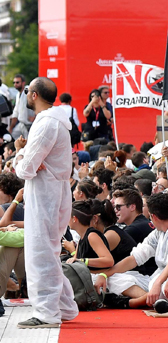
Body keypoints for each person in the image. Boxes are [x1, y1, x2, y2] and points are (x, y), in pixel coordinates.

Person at [13, 77, 80, 328]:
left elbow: (25, 169)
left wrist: (20, 155)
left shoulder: (47, 123)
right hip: (51, 193)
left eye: (27, 91)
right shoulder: (53, 120)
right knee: (47, 252)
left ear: (34, 95)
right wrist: (26, 157)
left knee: (40, 254)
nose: (25, 94)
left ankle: (46, 313)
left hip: (46, 195)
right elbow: (32, 164)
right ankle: (63, 307)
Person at [93, 193, 168, 309]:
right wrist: (104, 274)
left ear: (153, 216)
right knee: (114, 278)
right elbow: (134, 258)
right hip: (157, 279)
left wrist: (158, 284)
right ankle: (148, 299)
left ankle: (142, 300)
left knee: (163, 286)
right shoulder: (158, 232)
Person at [9, 74, 33, 139]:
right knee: (13, 136)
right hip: (21, 123)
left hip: (29, 124)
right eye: (14, 82)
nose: (15, 84)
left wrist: (35, 116)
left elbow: (38, 102)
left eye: (17, 82)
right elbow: (16, 112)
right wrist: (11, 128)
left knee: (29, 141)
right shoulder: (17, 95)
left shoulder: (28, 91)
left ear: (23, 83)